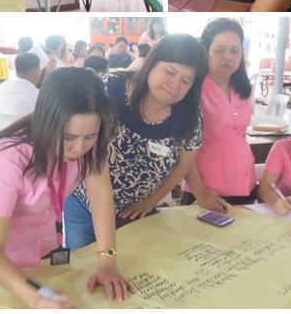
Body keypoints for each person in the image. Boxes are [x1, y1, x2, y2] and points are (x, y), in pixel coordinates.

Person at [0, 68, 133, 308]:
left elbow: (101, 196)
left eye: (90, 137)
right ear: (46, 122)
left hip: (40, 250)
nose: (79, 148)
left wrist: (107, 263)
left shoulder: (91, 144)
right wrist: (37, 298)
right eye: (68, 137)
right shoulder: (8, 156)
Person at [64, 34, 207, 250]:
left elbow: (184, 164)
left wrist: (151, 201)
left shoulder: (189, 117)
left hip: (136, 212)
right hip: (85, 204)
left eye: (186, 81)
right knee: (82, 267)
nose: (175, 84)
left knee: (132, 270)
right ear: (151, 64)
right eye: (170, 72)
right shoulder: (106, 90)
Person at [182, 19, 258, 210]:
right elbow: (181, 147)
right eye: (219, 50)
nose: (228, 57)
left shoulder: (242, 87)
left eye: (235, 50)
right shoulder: (193, 87)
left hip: (245, 184)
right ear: (206, 50)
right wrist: (202, 193)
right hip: (206, 192)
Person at [0, 53, 41, 131]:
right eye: (39, 70)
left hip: (1, 139)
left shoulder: (3, 86)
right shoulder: (39, 95)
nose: (40, 73)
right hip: (26, 141)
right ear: (34, 73)